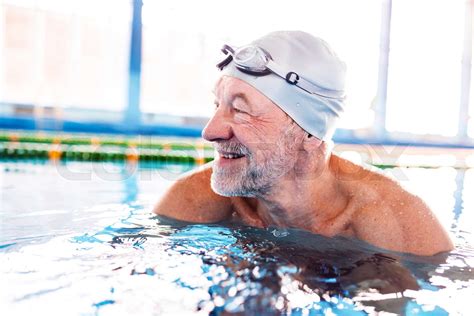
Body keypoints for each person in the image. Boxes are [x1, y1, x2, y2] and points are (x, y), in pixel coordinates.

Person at [154, 31, 453, 256]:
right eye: (217, 105)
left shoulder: (395, 223)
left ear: (310, 133)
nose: (210, 131)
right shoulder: (193, 198)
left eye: (241, 110)